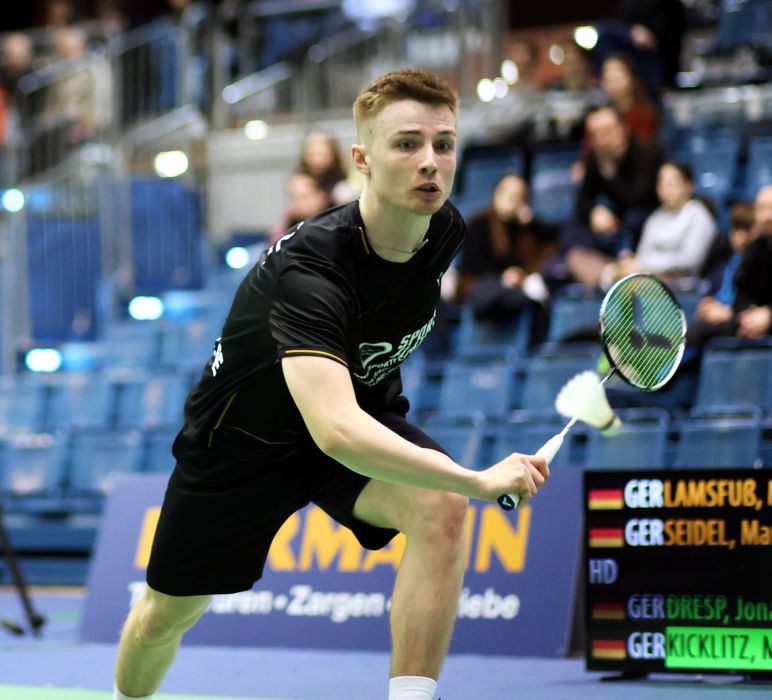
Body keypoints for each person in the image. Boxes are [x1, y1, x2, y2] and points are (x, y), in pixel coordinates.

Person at [110, 68, 549, 700]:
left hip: (350, 412)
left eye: (444, 145)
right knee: (166, 618)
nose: (430, 162)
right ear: (362, 160)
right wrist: (477, 480)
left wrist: (457, 487)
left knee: (440, 507)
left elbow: (348, 418)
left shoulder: (444, 230)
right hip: (241, 444)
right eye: (407, 144)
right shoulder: (311, 269)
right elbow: (335, 430)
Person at [552, 105, 664, 288]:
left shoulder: (648, 151)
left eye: (607, 131)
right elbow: (582, 200)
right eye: (596, 134)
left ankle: (618, 273)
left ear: (623, 128)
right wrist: (594, 212)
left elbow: (639, 198)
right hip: (612, 228)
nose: (603, 139)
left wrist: (610, 174)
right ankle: (609, 272)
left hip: (645, 221)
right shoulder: (596, 158)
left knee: (634, 218)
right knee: (570, 230)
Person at [455, 174, 557, 344]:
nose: (510, 200)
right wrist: (503, 277)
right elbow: (472, 266)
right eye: (506, 193)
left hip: (514, 288)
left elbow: (555, 238)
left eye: (517, 196)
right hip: (483, 286)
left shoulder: (523, 228)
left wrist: (532, 222)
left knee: (537, 295)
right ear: (496, 194)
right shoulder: (479, 223)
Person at [602, 162, 717, 285]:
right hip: (651, 277)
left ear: (688, 186)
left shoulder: (699, 215)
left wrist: (644, 266)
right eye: (661, 183)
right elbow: (643, 254)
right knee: (610, 273)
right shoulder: (655, 218)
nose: (665, 189)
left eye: (671, 183)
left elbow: (689, 261)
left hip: (683, 284)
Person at [687, 185, 772, 349]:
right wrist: (747, 317)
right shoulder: (756, 248)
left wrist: (769, 316)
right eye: (762, 209)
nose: (767, 216)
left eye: (771, 208)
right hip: (750, 322)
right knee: (702, 329)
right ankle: (660, 369)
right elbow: (742, 289)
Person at [599, 54, 659, 142]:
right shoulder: (599, 117)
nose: (613, 83)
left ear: (631, 78)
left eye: (617, 78)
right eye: (608, 79)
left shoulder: (646, 114)